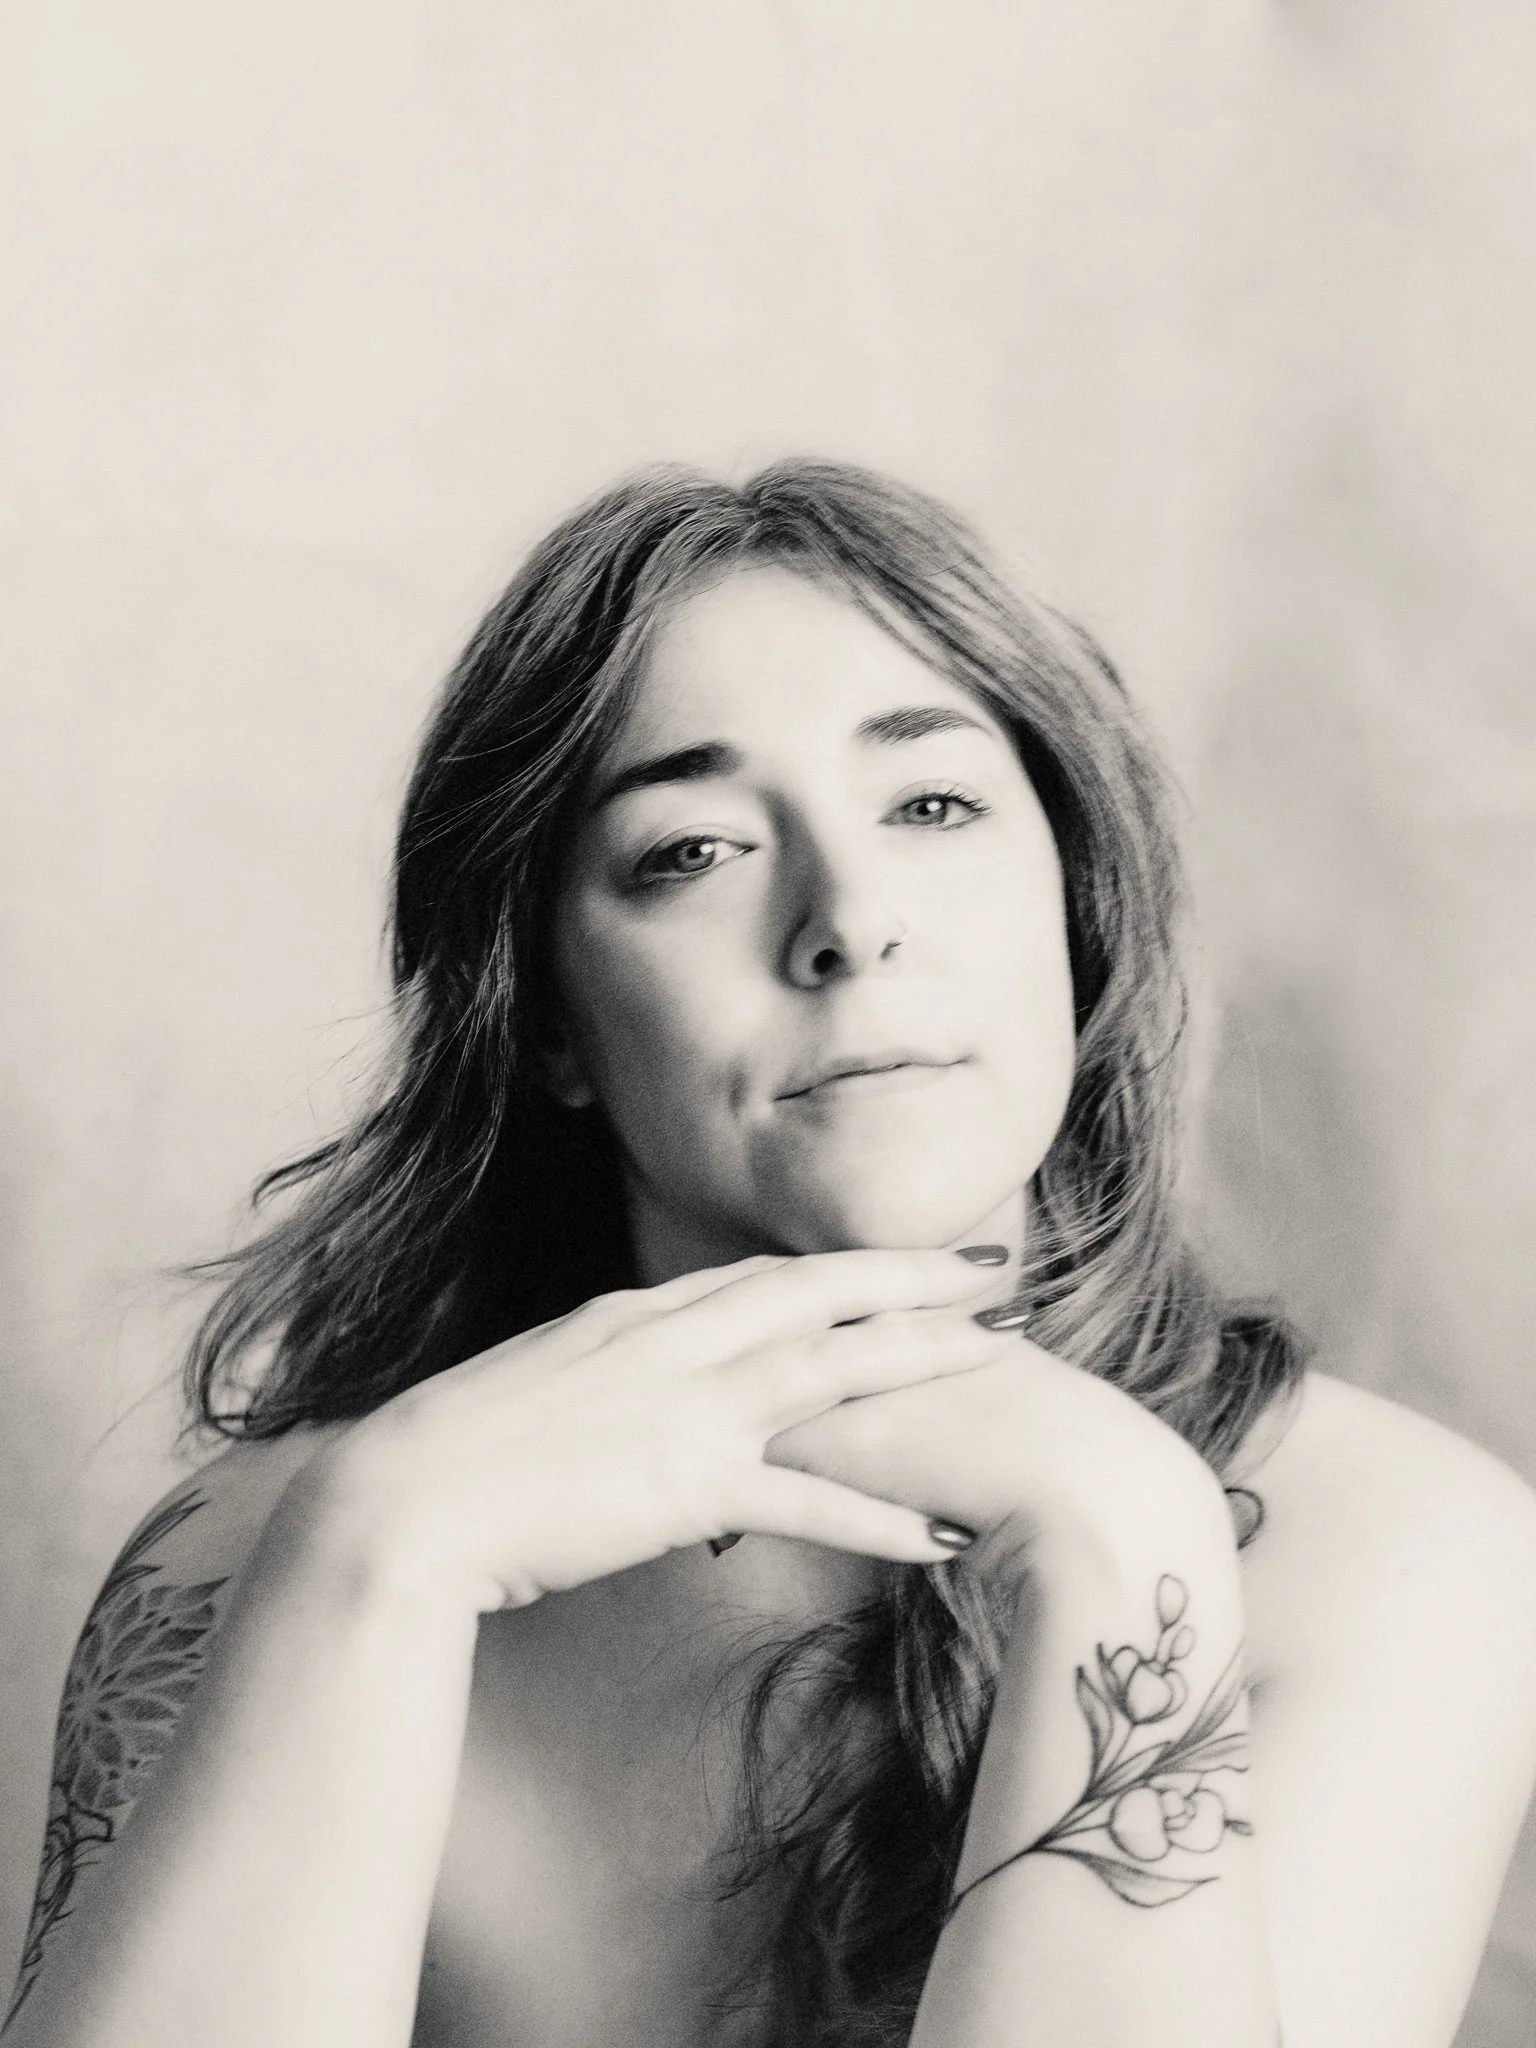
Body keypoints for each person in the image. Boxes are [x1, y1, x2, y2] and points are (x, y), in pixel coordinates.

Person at [6, 462, 1536, 2048]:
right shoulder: (251, 1559)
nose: (850, 917)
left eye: (932, 805)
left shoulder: (1406, 1551)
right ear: (548, 1025)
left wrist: (1116, 1527)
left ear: (1076, 914)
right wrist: (380, 1558)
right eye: (693, 850)